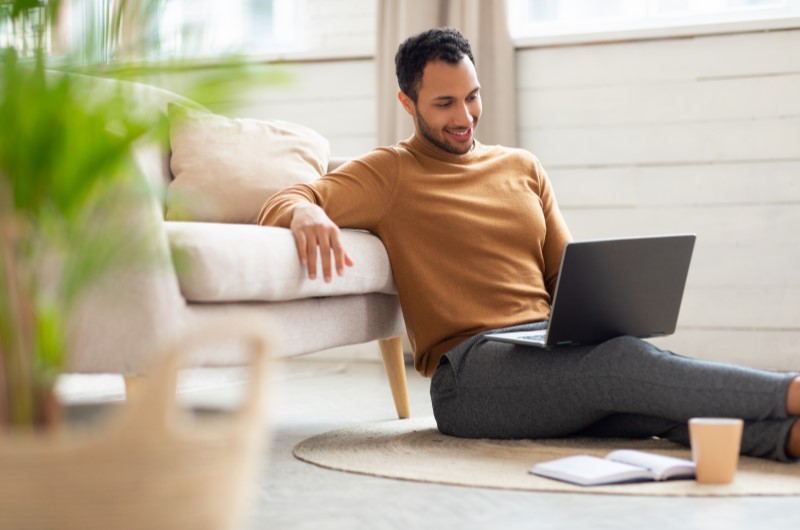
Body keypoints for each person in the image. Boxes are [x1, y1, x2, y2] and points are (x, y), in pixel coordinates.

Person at [258, 27, 800, 462]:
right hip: (470, 378)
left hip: (546, 349)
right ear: (408, 101)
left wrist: (612, 306)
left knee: (646, 404)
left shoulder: (522, 167)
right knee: (623, 366)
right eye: (445, 103)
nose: (464, 117)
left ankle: (786, 440)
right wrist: (305, 210)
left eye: (472, 98)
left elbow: (564, 275)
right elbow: (284, 198)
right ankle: (790, 392)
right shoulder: (389, 173)